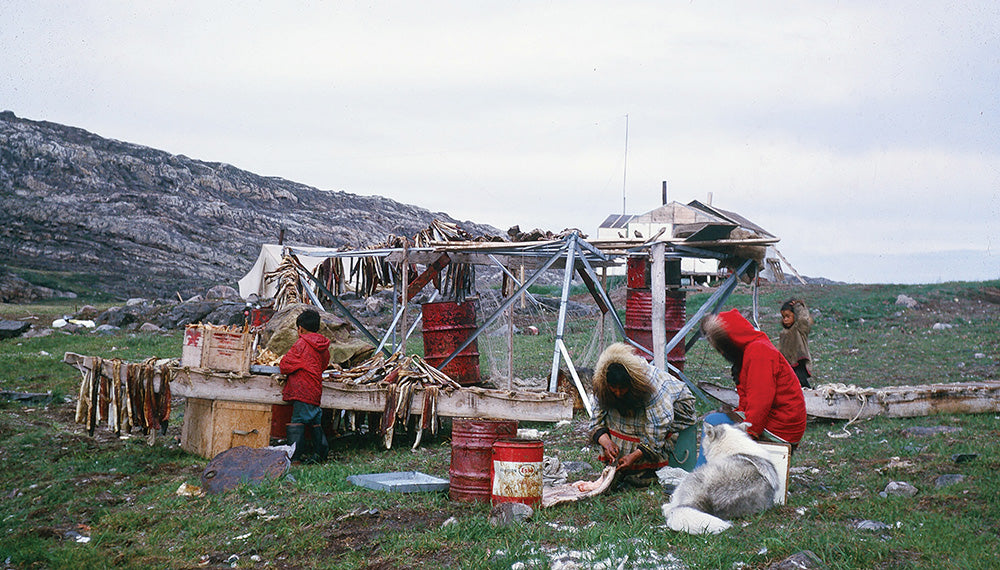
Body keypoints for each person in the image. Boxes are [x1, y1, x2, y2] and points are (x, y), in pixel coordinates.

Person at [697, 309, 807, 466]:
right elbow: (748, 400)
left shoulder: (758, 352)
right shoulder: (751, 350)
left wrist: (747, 434)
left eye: (721, 347)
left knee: (713, 422)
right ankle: (709, 472)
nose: (721, 352)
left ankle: (701, 475)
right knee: (720, 419)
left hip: (782, 428)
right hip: (779, 421)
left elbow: (760, 403)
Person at [589, 342, 698, 486]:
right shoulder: (601, 385)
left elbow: (658, 428)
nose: (618, 392)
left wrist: (634, 456)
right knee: (616, 405)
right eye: (613, 388)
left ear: (630, 383)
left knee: (653, 423)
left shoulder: (652, 388)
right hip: (643, 409)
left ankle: (645, 470)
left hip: (673, 412)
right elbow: (596, 422)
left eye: (622, 388)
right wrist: (608, 443)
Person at [279, 308, 331, 463]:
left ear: (300, 328)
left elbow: (284, 365)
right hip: (315, 389)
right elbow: (323, 364)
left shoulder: (301, 344)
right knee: (315, 420)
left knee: (298, 421)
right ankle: (320, 454)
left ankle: (294, 457)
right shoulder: (323, 345)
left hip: (302, 390)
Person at [779, 299, 814, 388]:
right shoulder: (783, 333)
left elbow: (803, 319)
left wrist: (798, 306)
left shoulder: (799, 329)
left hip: (799, 363)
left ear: (795, 316)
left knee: (801, 381)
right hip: (787, 364)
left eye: (788, 316)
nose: (785, 320)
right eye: (783, 317)